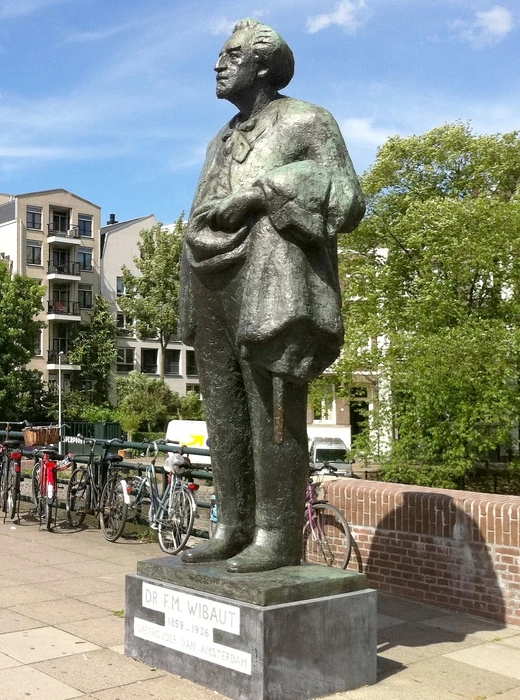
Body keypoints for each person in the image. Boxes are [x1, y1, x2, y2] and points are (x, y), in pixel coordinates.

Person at [179, 19, 364, 572]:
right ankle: (232, 525)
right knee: (223, 413)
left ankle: (277, 536)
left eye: (230, 54)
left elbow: (348, 198)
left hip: (272, 281)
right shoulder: (221, 138)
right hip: (213, 275)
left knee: (274, 408)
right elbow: (207, 202)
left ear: (263, 64)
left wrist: (262, 194)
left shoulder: (309, 120)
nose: (218, 63)